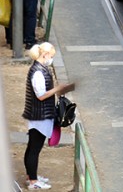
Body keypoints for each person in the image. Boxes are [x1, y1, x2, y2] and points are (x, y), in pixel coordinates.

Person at [23, 42, 75, 190]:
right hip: (39, 115)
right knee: (35, 148)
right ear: (45, 55)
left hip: (38, 113)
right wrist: (57, 89)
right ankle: (33, 181)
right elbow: (41, 95)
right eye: (51, 56)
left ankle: (30, 176)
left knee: (32, 147)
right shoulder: (38, 72)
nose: (51, 59)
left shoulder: (38, 69)